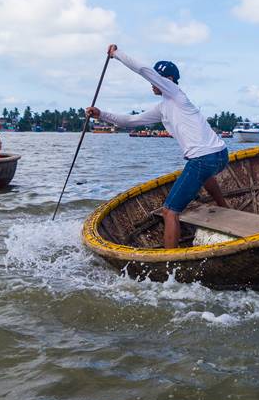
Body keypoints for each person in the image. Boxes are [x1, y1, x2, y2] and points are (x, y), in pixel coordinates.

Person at [86, 44, 229, 249]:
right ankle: (225, 207)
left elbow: (143, 70)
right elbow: (131, 121)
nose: (152, 83)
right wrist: (101, 114)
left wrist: (116, 54)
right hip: (221, 155)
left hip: (204, 159)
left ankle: (170, 262)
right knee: (205, 175)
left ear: (168, 80)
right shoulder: (163, 107)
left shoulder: (175, 93)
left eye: (157, 79)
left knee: (169, 211)